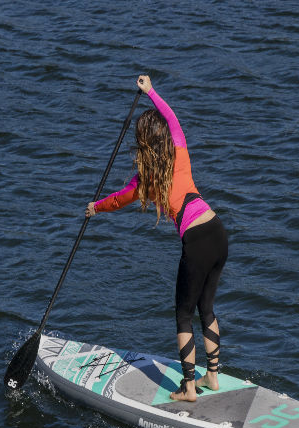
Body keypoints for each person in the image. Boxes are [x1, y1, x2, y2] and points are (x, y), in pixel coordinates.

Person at [85, 75, 228, 402]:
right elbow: (173, 118)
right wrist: (151, 91)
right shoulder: (180, 150)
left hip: (196, 241)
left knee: (183, 315)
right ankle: (212, 376)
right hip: (218, 231)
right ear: (165, 138)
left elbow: (118, 200)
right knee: (206, 308)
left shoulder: (146, 181)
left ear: (143, 144)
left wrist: (95, 208)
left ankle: (189, 388)